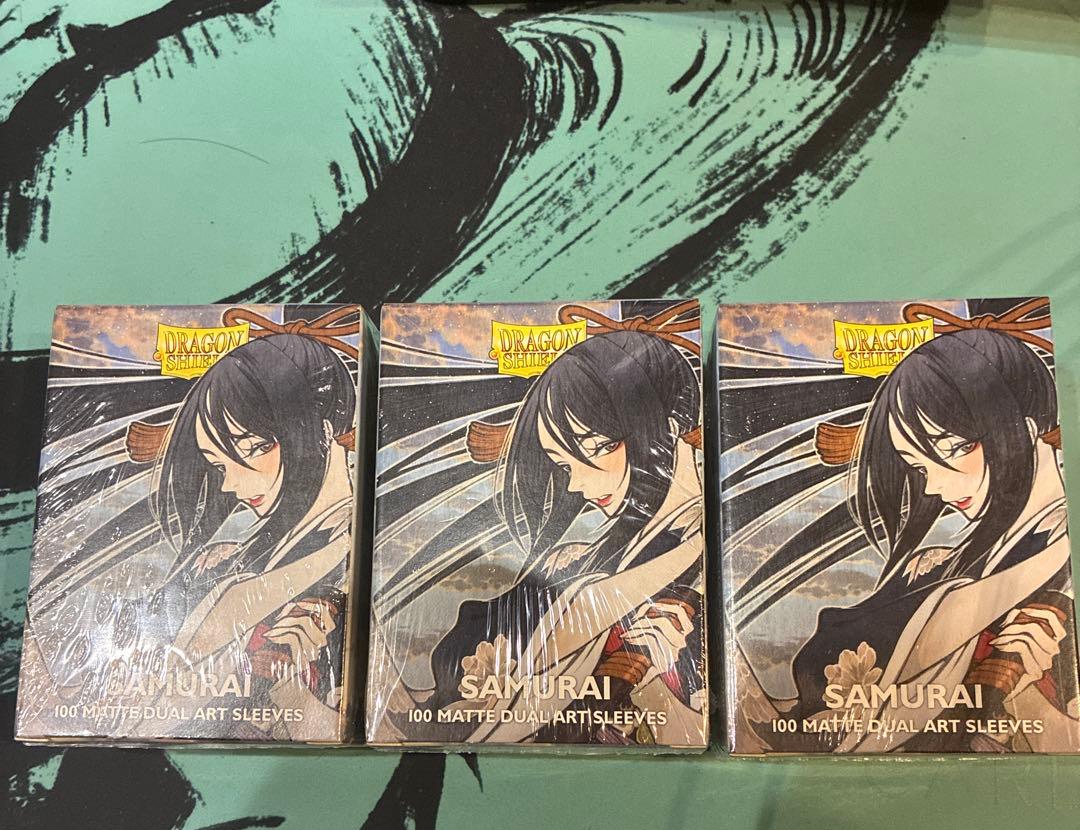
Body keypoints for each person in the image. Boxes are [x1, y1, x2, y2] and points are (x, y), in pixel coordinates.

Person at [742, 318, 1078, 753]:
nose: (933, 486)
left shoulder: (1054, 561)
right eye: (919, 466)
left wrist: (1031, 699)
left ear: (1026, 428)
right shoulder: (942, 563)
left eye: (952, 450)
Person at [373, 326, 706, 747]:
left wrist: (655, 687)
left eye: (596, 447)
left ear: (670, 425)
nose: (577, 485)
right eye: (563, 465)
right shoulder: (594, 554)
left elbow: (698, 730)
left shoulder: (694, 557)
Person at [126, 330, 358, 739]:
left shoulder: (348, 549)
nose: (231, 484)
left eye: (253, 449)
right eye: (219, 464)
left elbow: (394, 722)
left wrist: (291, 690)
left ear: (322, 428)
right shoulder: (251, 550)